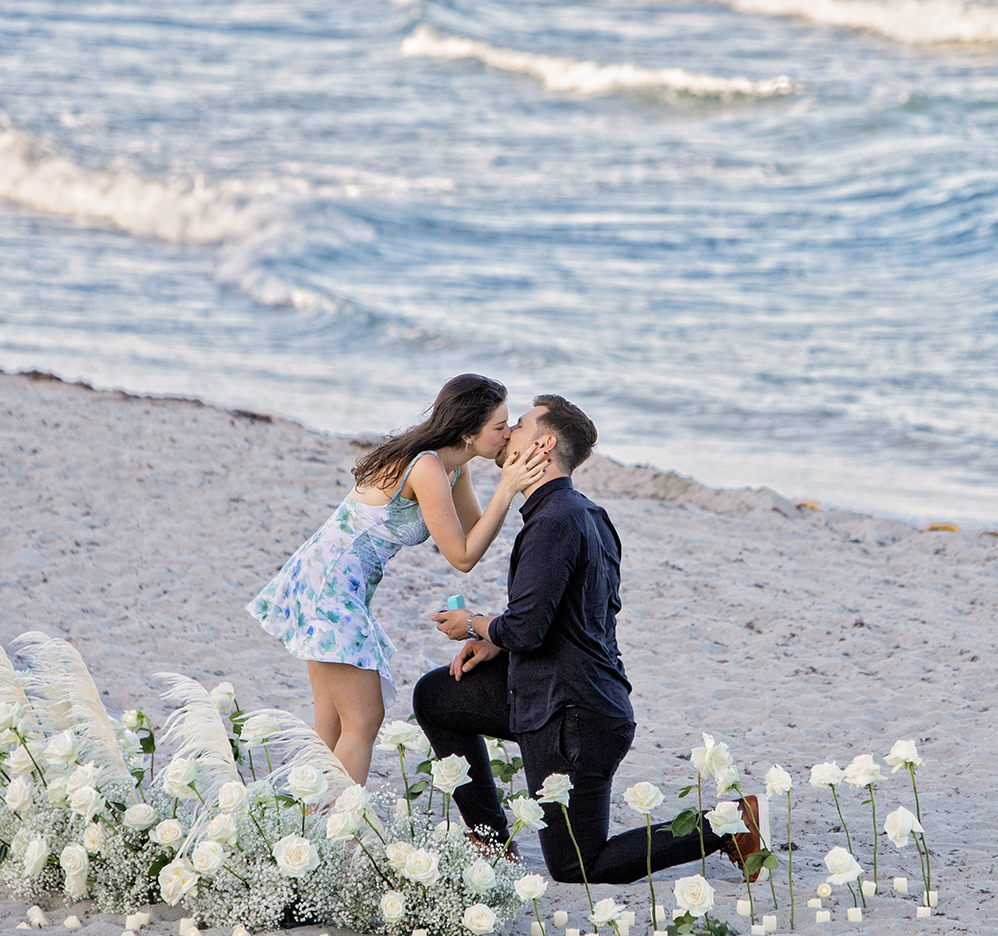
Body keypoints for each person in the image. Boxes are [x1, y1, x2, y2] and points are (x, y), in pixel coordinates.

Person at [413, 394, 759, 884]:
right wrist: (498, 641)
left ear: (545, 444)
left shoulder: (554, 521)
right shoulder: (585, 513)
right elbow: (578, 616)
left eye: (521, 425)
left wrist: (475, 624)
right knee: (437, 696)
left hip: (575, 718)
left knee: (579, 864)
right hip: (548, 694)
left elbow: (529, 628)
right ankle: (491, 840)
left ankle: (726, 826)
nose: (508, 431)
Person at [247, 375, 548, 786]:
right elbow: (460, 556)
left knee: (331, 726)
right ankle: (341, 831)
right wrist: (507, 490)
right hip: (328, 587)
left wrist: (508, 489)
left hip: (324, 579)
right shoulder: (426, 466)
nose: (509, 433)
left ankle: (309, 821)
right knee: (363, 720)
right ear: (467, 432)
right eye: (501, 426)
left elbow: (475, 535)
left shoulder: (452, 468)